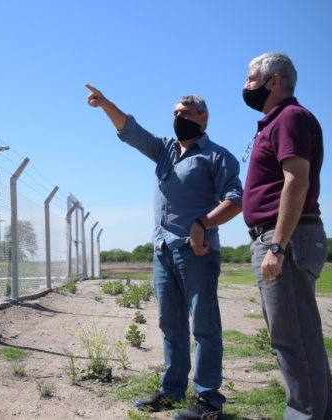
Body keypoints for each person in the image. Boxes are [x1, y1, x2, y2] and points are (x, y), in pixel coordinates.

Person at [85, 84, 243, 419]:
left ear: (203, 117)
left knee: (203, 325)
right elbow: (132, 131)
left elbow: (235, 200)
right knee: (170, 324)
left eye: (185, 113)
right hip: (162, 251)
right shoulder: (166, 151)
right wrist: (105, 104)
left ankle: (208, 398)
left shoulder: (217, 156)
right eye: (174, 114)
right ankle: (172, 391)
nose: (178, 118)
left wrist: (204, 224)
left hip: (196, 252)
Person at [241, 52, 332, 419]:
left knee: (292, 341)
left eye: (251, 79)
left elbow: (296, 181)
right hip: (284, 239)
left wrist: (277, 245)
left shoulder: (290, 118)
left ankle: (304, 413)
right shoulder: (276, 122)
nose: (246, 86)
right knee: (301, 340)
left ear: (273, 81)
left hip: (287, 240)